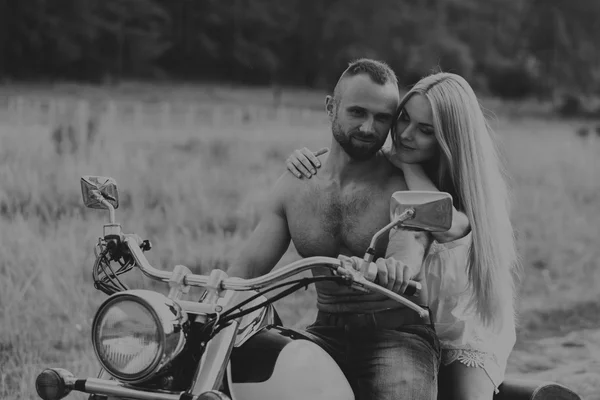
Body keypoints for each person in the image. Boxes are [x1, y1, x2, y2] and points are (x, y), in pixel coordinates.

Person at [284, 71, 520, 400]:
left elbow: (434, 215)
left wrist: (406, 165)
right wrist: (307, 159)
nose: (406, 135)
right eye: (404, 119)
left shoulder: (455, 196)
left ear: (448, 139)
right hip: (410, 318)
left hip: (460, 327)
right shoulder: (395, 169)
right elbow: (347, 163)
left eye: (425, 130)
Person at [226, 58, 441, 400]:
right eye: (357, 112)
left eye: (382, 118)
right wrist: (211, 302)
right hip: (325, 332)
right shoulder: (296, 185)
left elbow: (409, 246)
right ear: (331, 107)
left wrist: (394, 268)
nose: (369, 128)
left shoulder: (404, 185)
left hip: (397, 337)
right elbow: (247, 269)